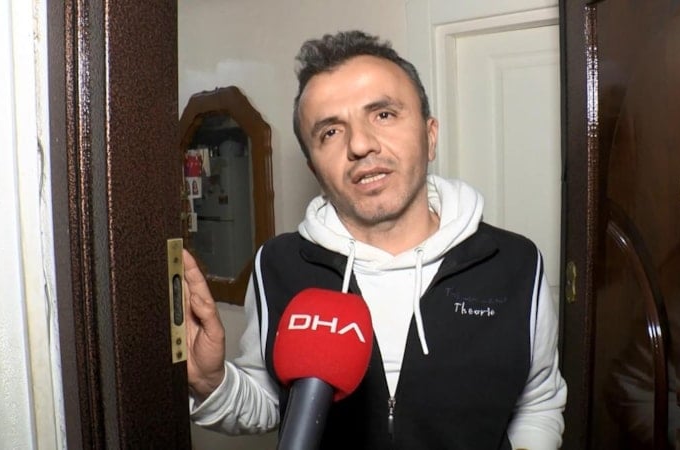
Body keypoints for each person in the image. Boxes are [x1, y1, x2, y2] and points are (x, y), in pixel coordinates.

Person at [184, 30, 567, 449]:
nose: (361, 144)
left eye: (383, 114)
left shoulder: (515, 262)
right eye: (330, 132)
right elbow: (270, 402)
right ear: (315, 170)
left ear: (430, 135)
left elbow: (538, 402)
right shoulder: (276, 265)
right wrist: (211, 382)